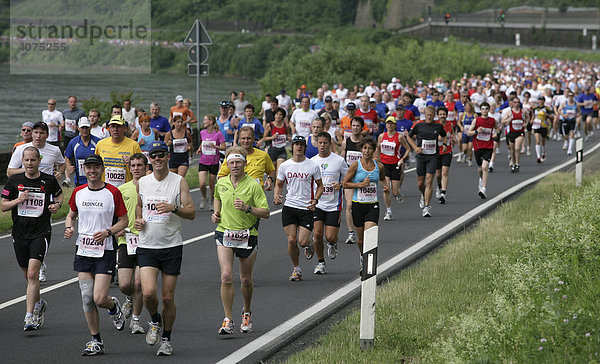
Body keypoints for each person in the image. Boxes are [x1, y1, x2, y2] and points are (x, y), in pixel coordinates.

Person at [134, 141, 196, 356]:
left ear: (168, 157)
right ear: (149, 159)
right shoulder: (142, 182)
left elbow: (191, 212)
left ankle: (167, 339)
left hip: (171, 245)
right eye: (154, 155)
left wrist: (174, 208)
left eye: (161, 155)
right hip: (147, 245)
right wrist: (138, 220)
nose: (158, 158)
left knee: (167, 298)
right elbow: (140, 205)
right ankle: (154, 319)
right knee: (149, 292)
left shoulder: (179, 182)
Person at [64, 154, 129, 356]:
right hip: (83, 250)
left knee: (99, 298)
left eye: (95, 167)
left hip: (105, 250)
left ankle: (113, 306)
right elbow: (71, 214)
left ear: (102, 169)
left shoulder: (112, 192)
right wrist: (69, 227)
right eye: (88, 167)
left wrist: (108, 232)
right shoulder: (78, 192)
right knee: (86, 297)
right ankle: (96, 340)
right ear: (84, 170)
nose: (92, 171)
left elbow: (124, 220)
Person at [1, 146, 62, 331]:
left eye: (33, 160)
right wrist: (18, 201)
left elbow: (58, 194)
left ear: (38, 161)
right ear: (22, 161)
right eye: (26, 160)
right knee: (27, 275)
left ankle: (29, 316)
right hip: (19, 233)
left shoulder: (48, 180)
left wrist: (57, 205)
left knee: (32, 274)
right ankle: (39, 302)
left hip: (41, 232)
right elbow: (3, 206)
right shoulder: (14, 181)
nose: (29, 163)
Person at [211, 147, 270, 335]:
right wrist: (216, 213)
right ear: (226, 164)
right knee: (226, 275)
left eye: (238, 162)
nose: (235, 165)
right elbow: (217, 198)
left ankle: (246, 311)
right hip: (224, 233)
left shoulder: (253, 185)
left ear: (245, 164)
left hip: (248, 234)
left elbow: (266, 212)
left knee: (245, 279)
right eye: (231, 162)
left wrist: (247, 208)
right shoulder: (221, 183)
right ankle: (228, 319)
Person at [274, 135, 323, 281]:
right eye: (296, 144)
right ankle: (297, 269)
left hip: (306, 207)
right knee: (291, 241)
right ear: (292, 147)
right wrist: (277, 195)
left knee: (302, 242)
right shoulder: (285, 166)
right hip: (290, 206)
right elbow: (279, 184)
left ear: (305, 147)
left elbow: (320, 185)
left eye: (302, 144)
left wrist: (316, 199)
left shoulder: (312, 165)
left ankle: (309, 244)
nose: (299, 147)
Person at [342, 137, 387, 266]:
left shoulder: (379, 166)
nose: (367, 151)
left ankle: (369, 262)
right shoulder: (356, 165)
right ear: (361, 149)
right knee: (361, 239)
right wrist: (360, 185)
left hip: (372, 205)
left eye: (370, 148)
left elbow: (383, 179)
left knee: (370, 236)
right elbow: (345, 183)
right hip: (358, 205)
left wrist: (385, 186)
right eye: (365, 148)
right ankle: (362, 255)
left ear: (373, 150)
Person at [116, 153, 147, 335]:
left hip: (146, 240)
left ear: (145, 167)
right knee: (124, 284)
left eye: (139, 165)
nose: (136, 168)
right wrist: (117, 228)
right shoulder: (122, 189)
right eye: (133, 165)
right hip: (125, 240)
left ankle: (136, 320)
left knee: (138, 283)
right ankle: (129, 298)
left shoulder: (151, 186)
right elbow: (116, 214)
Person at [310, 132, 348, 274]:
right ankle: (320, 263)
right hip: (318, 204)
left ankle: (332, 244)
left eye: (325, 143)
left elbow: (349, 177)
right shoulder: (312, 161)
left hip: (333, 204)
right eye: (319, 143)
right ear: (316, 143)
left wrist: (341, 184)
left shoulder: (338, 160)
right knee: (317, 235)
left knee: (330, 236)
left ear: (330, 143)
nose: (322, 145)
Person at [406, 106, 447, 217]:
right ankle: (423, 195)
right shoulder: (418, 125)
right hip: (421, 157)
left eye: (431, 115)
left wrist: (444, 144)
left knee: (429, 181)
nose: (429, 117)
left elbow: (444, 136)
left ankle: (427, 207)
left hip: (433, 156)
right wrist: (415, 147)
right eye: (427, 115)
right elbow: (408, 137)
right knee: (420, 183)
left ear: (434, 115)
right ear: (424, 114)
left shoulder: (438, 126)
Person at [218, 126, 275, 190]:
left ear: (253, 139)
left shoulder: (263, 155)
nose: (246, 141)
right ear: (239, 139)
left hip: (257, 196)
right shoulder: (232, 156)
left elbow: (271, 170)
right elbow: (221, 176)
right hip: (238, 195)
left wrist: (270, 178)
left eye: (249, 138)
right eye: (243, 138)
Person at [95, 115, 142, 187]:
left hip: (126, 188)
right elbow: (96, 167)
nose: (115, 129)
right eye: (113, 126)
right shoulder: (100, 144)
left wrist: (131, 163)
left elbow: (142, 169)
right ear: (109, 129)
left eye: (118, 126)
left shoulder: (134, 145)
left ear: (125, 129)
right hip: (105, 188)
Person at [378, 116, 409, 220]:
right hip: (384, 165)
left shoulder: (399, 137)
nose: (390, 125)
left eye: (392, 123)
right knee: (386, 189)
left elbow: (408, 149)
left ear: (395, 125)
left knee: (395, 192)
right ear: (386, 124)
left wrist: (402, 159)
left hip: (395, 165)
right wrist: (376, 160)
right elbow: (378, 149)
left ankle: (399, 194)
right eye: (388, 123)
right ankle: (388, 211)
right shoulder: (382, 136)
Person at [339, 116, 365, 245]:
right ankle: (351, 233)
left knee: (360, 206)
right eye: (353, 126)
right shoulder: (346, 142)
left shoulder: (365, 143)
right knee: (349, 205)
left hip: (362, 179)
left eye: (357, 126)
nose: (355, 128)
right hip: (349, 179)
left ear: (361, 128)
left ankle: (363, 230)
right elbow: (341, 161)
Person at [467, 102, 499, 199]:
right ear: (480, 110)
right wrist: (476, 131)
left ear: (489, 110)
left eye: (486, 108)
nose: (484, 110)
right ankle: (481, 180)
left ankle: (484, 189)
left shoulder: (493, 120)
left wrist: (495, 134)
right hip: (478, 147)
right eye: (483, 109)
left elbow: (497, 128)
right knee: (480, 168)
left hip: (488, 147)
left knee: (485, 167)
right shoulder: (476, 121)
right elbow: (469, 133)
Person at [197, 114, 226, 209]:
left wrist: (216, 147)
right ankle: (204, 198)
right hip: (203, 161)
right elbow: (203, 142)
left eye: (205, 120)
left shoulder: (218, 134)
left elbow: (224, 147)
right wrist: (199, 148)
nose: (204, 121)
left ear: (210, 122)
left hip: (213, 162)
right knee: (202, 184)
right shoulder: (202, 132)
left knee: (211, 184)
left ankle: (212, 201)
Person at [64, 118, 101, 187]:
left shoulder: (98, 142)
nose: (84, 130)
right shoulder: (73, 142)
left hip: (95, 179)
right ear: (78, 128)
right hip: (79, 180)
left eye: (86, 128)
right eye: (82, 128)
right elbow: (67, 156)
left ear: (90, 127)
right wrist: (69, 166)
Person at [259, 107, 289, 177]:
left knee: (279, 173)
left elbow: (287, 134)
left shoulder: (285, 125)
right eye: (277, 114)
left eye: (280, 115)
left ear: (283, 116)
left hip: (282, 150)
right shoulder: (270, 125)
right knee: (273, 173)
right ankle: (273, 186)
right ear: (274, 115)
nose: (278, 116)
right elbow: (264, 138)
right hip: (272, 150)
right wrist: (272, 137)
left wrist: (288, 138)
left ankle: (277, 186)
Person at [502, 96, 528, 173]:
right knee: (512, 150)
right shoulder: (509, 112)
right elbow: (502, 121)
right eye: (515, 102)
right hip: (512, 132)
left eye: (518, 102)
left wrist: (526, 123)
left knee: (517, 148)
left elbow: (528, 117)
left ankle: (517, 164)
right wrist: (508, 120)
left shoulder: (523, 112)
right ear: (512, 103)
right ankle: (513, 163)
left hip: (520, 132)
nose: (517, 104)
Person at [435, 107, 453, 204]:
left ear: (446, 115)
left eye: (444, 114)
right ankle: (439, 186)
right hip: (437, 151)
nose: (442, 116)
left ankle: (443, 194)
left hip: (447, 151)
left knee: (445, 172)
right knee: (438, 174)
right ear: (438, 115)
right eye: (440, 114)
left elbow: (451, 134)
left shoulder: (450, 124)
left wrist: (453, 139)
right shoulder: (435, 125)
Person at [531, 95, 555, 163]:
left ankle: (543, 152)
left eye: (542, 100)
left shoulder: (547, 108)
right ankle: (538, 157)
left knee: (543, 141)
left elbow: (552, 117)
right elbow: (533, 116)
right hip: (536, 125)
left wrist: (547, 115)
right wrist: (531, 120)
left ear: (544, 101)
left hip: (544, 126)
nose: (540, 102)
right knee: (537, 141)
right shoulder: (535, 108)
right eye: (539, 100)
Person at [457, 101, 476, 166]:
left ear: (471, 107)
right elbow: (458, 122)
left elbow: (477, 123)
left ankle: (470, 159)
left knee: (470, 147)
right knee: (465, 149)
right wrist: (461, 127)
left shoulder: (474, 115)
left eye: (469, 106)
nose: (467, 108)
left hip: (471, 133)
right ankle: (465, 154)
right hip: (465, 133)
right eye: (466, 107)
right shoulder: (463, 115)